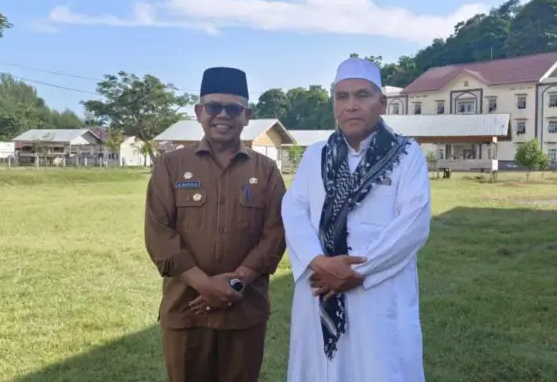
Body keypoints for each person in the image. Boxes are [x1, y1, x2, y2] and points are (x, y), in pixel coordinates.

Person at [281, 57, 432, 381]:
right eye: (342, 96)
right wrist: (320, 262)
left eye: (362, 95)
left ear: (382, 103)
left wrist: (357, 272)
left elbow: (413, 222)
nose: (351, 105)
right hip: (320, 285)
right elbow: (293, 210)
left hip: (378, 289)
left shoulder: (407, 155)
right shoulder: (316, 154)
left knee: (380, 367)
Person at [144, 66, 287, 382]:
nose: (223, 115)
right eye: (213, 107)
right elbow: (159, 234)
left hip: (244, 311)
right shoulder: (171, 166)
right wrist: (205, 285)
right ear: (199, 112)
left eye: (233, 109)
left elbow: (275, 233)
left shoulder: (265, 171)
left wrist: (237, 283)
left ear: (247, 116)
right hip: (187, 309)